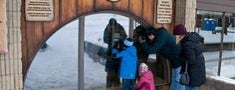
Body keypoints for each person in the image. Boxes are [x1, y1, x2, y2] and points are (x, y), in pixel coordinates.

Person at [173, 24, 206, 90]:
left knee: (190, 87)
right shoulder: (193, 37)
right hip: (199, 66)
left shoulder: (187, 44)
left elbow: (191, 60)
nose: (177, 38)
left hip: (193, 70)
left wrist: (181, 57)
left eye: (177, 35)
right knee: (193, 87)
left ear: (180, 35)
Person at [103, 18, 127, 87]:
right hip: (110, 51)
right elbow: (105, 39)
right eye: (111, 25)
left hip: (119, 50)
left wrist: (118, 38)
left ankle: (116, 85)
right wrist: (111, 39)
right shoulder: (107, 28)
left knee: (117, 70)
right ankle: (109, 86)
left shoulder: (120, 27)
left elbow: (124, 37)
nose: (112, 27)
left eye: (113, 25)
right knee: (109, 71)